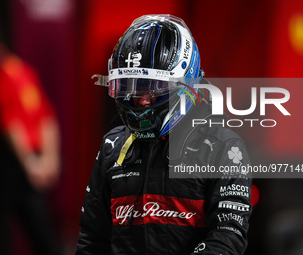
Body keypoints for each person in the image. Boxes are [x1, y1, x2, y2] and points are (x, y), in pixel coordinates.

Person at [76, 14, 252, 255]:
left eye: (152, 89)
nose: (141, 101)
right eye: (131, 87)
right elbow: (93, 239)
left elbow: (228, 236)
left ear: (185, 84)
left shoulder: (224, 147)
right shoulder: (113, 146)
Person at [0, 30, 62, 255]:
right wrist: (49, 158)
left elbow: (10, 125)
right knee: (38, 230)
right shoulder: (24, 70)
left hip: (12, 161)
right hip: (27, 159)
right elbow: (47, 118)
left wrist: (30, 163)